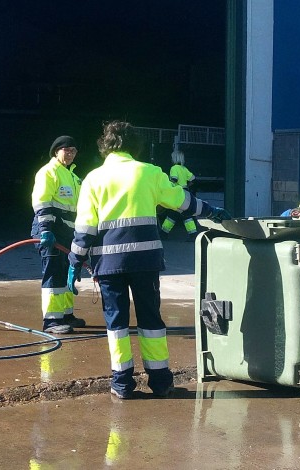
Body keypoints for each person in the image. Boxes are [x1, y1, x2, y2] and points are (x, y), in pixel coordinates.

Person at [67, 120, 231, 399]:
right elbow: (183, 201)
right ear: (135, 146)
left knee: (116, 323)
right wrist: (211, 210)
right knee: (151, 320)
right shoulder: (150, 172)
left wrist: (74, 261)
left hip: (108, 265)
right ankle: (161, 381)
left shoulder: (93, 179)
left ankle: (122, 384)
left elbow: (85, 229)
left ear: (105, 147)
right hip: (145, 262)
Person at [30, 135, 86, 334]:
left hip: (67, 234)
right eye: (66, 150)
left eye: (73, 151)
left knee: (67, 272)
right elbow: (42, 201)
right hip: (51, 232)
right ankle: (51, 321)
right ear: (56, 151)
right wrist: (45, 230)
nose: (70, 154)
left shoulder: (73, 176)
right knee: (54, 273)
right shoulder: (49, 172)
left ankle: (66, 314)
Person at [160, 150, 199, 242]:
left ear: (174, 158)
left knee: (174, 214)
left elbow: (174, 179)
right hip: (186, 192)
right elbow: (194, 179)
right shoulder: (184, 169)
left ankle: (164, 233)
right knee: (182, 213)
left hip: (178, 193)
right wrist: (187, 186)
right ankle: (192, 234)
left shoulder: (174, 168)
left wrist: (167, 187)